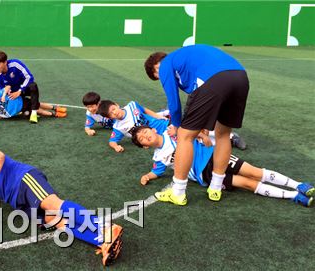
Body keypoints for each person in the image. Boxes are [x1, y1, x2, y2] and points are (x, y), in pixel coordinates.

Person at [0, 145, 124, 266]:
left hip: (24, 180)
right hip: (20, 203)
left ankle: (104, 227)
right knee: (57, 223)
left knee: (53, 204)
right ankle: (102, 240)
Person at [144, 44, 250, 203]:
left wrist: (177, 126)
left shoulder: (165, 64)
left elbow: (173, 102)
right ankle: (215, 187)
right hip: (241, 78)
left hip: (215, 81)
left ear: (155, 69)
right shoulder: (186, 57)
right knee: (223, 134)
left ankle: (178, 193)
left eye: (157, 77)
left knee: (184, 136)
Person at [130, 125, 314, 207]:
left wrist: (201, 137)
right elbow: (157, 171)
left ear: (152, 130)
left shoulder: (171, 130)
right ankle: (294, 196)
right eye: (142, 139)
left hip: (214, 157)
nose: (145, 136)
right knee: (247, 184)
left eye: (146, 132)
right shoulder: (159, 157)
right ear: (145, 146)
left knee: (254, 172)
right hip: (206, 176)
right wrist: (147, 176)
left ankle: (298, 185)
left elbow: (194, 131)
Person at [97, 100, 169, 153]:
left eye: (113, 109)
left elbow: (144, 110)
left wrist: (158, 116)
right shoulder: (118, 127)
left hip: (163, 125)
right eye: (111, 113)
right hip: (154, 139)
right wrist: (116, 147)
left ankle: (166, 113)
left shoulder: (132, 105)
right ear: (109, 118)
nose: (115, 112)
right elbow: (112, 141)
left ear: (116, 105)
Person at [0, 51, 41, 123]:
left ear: (5, 62)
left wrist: (20, 91)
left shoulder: (15, 64)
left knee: (33, 86)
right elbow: (2, 91)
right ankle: (53, 109)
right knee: (26, 113)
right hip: (13, 95)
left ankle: (34, 113)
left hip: (23, 89)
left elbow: (29, 77)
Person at [0, 89, 66, 125]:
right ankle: (55, 114)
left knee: (39, 104)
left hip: (22, 101)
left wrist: (3, 95)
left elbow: (7, 87)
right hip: (22, 110)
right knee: (38, 110)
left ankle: (56, 108)